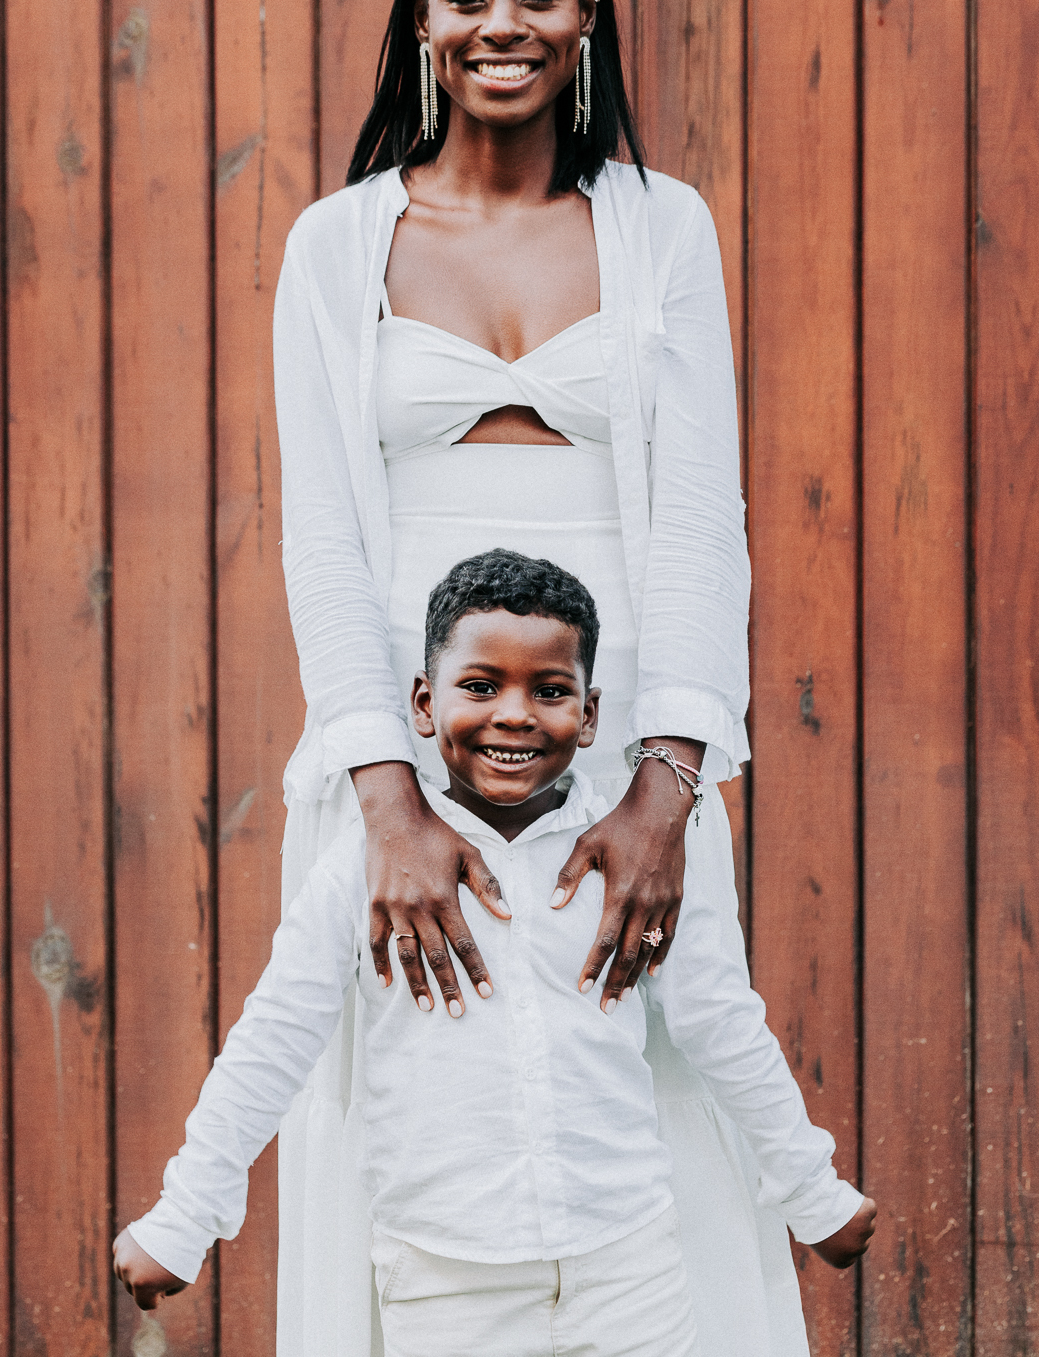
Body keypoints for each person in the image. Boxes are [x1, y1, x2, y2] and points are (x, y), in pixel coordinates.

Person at [271, 0, 841, 1353]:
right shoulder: (337, 248)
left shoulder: (665, 229)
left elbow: (701, 524)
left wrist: (668, 788)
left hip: (616, 764)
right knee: (417, 1115)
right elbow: (325, 542)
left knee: (654, 1130)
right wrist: (385, 807)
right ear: (421, 23)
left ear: (588, 17)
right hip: (406, 756)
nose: (504, 23)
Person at [114, 553, 875, 1357]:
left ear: (589, 715)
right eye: (480, 687)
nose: (515, 715)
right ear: (422, 702)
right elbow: (272, 1040)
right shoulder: (365, 869)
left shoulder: (636, 864)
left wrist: (810, 1188)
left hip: (628, 1260)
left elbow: (724, 1024)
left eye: (549, 691)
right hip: (447, 1275)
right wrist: (184, 1214)